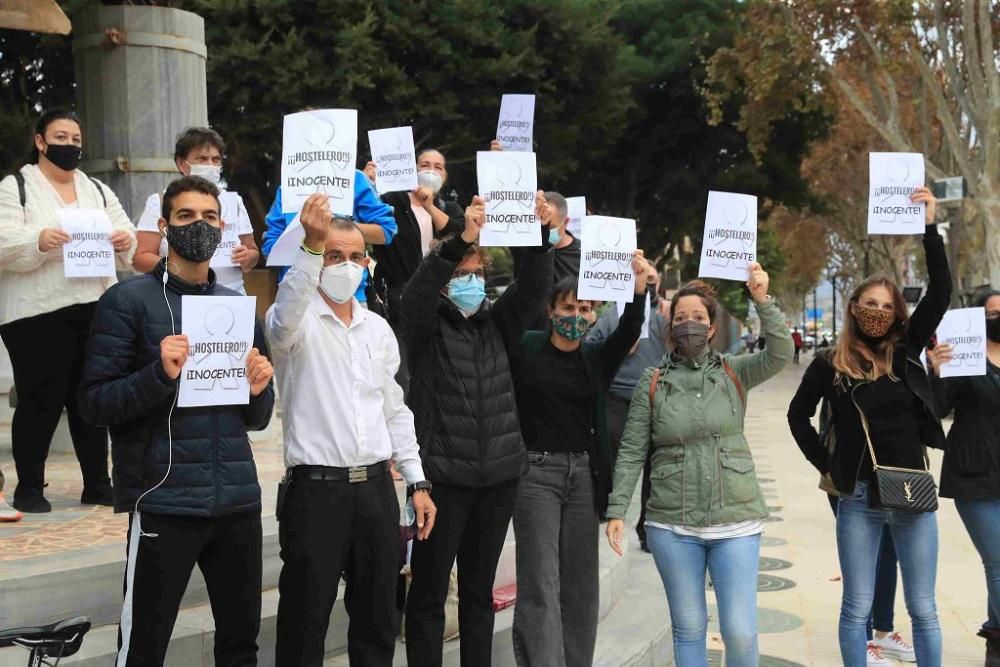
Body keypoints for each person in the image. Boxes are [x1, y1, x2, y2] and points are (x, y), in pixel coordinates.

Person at [79, 175, 275, 665]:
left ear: (223, 228)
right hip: (164, 499)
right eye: (186, 217)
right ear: (164, 227)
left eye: (209, 218)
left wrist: (257, 389)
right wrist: (158, 374)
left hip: (235, 500)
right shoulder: (126, 302)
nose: (199, 226)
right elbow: (95, 403)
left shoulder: (236, 307)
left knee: (240, 646)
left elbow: (259, 416)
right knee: (144, 647)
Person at [266, 195, 437, 666]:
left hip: (377, 493)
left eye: (353, 256)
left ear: (367, 261)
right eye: (332, 255)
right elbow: (282, 321)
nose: (344, 265)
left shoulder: (377, 329)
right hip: (316, 494)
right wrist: (311, 247)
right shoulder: (294, 323)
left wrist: (416, 480)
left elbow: (395, 409)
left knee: (379, 622)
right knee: (304, 624)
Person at [787, 187, 947, 667]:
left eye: (885, 305)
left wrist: (929, 226)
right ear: (854, 307)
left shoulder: (906, 351)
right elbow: (797, 415)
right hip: (856, 498)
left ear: (898, 314)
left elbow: (940, 291)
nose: (876, 311)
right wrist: (829, 466)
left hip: (912, 495)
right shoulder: (828, 365)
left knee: (923, 609)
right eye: (868, 303)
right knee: (856, 607)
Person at [607, 265, 793, 666]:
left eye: (698, 318)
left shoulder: (734, 371)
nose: (688, 325)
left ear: (712, 328)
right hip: (673, 525)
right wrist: (617, 509)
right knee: (689, 627)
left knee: (740, 630)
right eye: (680, 318)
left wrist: (763, 299)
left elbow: (781, 353)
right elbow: (632, 449)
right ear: (668, 328)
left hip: (737, 520)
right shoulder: (652, 382)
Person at [402, 193, 554, 666]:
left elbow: (532, 288)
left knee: (478, 594)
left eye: (477, 272)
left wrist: (539, 236)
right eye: (461, 273)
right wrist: (460, 240)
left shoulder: (498, 322)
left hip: (498, 480)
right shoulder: (424, 326)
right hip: (444, 481)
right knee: (428, 594)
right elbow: (415, 299)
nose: (471, 280)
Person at [510, 254, 653, 666]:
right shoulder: (528, 348)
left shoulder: (594, 359)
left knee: (580, 584)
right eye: (569, 307)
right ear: (552, 311)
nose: (577, 315)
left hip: (582, 479)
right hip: (535, 475)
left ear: (593, 316)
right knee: (540, 580)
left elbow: (628, 328)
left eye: (585, 309)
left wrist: (640, 288)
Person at [0, 109, 136, 513]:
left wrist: (121, 240)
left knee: (89, 399)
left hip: (94, 306)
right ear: (41, 141)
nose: (70, 146)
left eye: (76, 139)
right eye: (61, 137)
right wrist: (39, 239)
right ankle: (29, 485)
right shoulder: (16, 187)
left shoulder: (95, 188)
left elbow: (127, 236)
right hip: (36, 311)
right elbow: (4, 241)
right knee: (40, 398)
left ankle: (97, 482)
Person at [926, 290, 1000, 666]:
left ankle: (995, 640)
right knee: (999, 561)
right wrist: (936, 371)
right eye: (991, 313)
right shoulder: (965, 353)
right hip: (974, 474)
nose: (998, 317)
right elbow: (938, 408)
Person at [366, 149, 464, 392]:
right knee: (403, 376)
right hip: (400, 303)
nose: (430, 170)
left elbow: (460, 236)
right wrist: (368, 185)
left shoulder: (448, 207)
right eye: (424, 164)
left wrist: (429, 206)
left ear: (445, 175)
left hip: (442, 303)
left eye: (437, 166)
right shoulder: (391, 203)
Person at [588, 278, 670, 552]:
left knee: (655, 468)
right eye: (642, 281)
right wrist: (620, 342)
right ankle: (608, 513)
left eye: (651, 281)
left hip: (654, 398)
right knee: (612, 462)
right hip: (617, 399)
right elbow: (592, 345)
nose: (648, 286)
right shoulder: (612, 313)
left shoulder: (663, 314)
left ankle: (647, 531)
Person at [132, 127, 259, 293]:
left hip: (230, 294)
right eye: (202, 159)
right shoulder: (161, 201)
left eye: (216, 159)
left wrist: (248, 258)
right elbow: (140, 258)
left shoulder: (234, 202)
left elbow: (252, 251)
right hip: (178, 294)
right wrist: (178, 269)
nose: (210, 165)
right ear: (182, 164)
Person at [261, 171, 397, 304]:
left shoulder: (355, 179)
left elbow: (385, 231)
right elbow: (269, 250)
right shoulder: (289, 186)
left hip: (351, 295)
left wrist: (338, 225)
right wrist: (307, 236)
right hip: (299, 297)